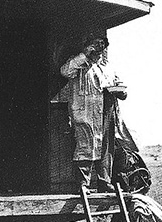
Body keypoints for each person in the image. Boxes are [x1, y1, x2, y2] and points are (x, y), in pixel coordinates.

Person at [59, 32, 138, 193]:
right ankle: (83, 183)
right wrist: (84, 55)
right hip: (85, 111)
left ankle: (105, 182)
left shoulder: (107, 66)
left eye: (102, 44)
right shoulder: (78, 63)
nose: (99, 48)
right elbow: (65, 72)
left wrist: (121, 92)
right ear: (88, 46)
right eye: (95, 44)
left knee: (105, 147)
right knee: (85, 145)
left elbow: (119, 84)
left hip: (106, 110)